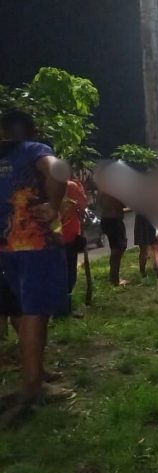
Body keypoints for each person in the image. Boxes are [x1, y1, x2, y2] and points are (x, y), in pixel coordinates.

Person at [0, 109, 70, 416]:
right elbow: (58, 170)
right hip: (34, 244)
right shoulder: (33, 149)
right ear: (32, 130)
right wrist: (52, 206)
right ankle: (31, 390)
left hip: (6, 249)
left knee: (23, 312)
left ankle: (34, 375)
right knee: (35, 313)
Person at [60, 179, 87, 304]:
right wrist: (80, 188)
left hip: (49, 236)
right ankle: (65, 306)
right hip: (68, 235)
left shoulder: (43, 184)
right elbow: (83, 204)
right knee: (69, 272)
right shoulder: (71, 185)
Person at [97, 185, 127, 286]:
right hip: (114, 219)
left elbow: (100, 203)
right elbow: (122, 204)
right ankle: (114, 279)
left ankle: (114, 276)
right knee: (118, 248)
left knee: (116, 247)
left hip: (106, 219)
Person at [133, 213, 158, 278]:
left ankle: (143, 271)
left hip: (142, 219)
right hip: (151, 217)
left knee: (145, 249)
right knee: (154, 246)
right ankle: (155, 268)